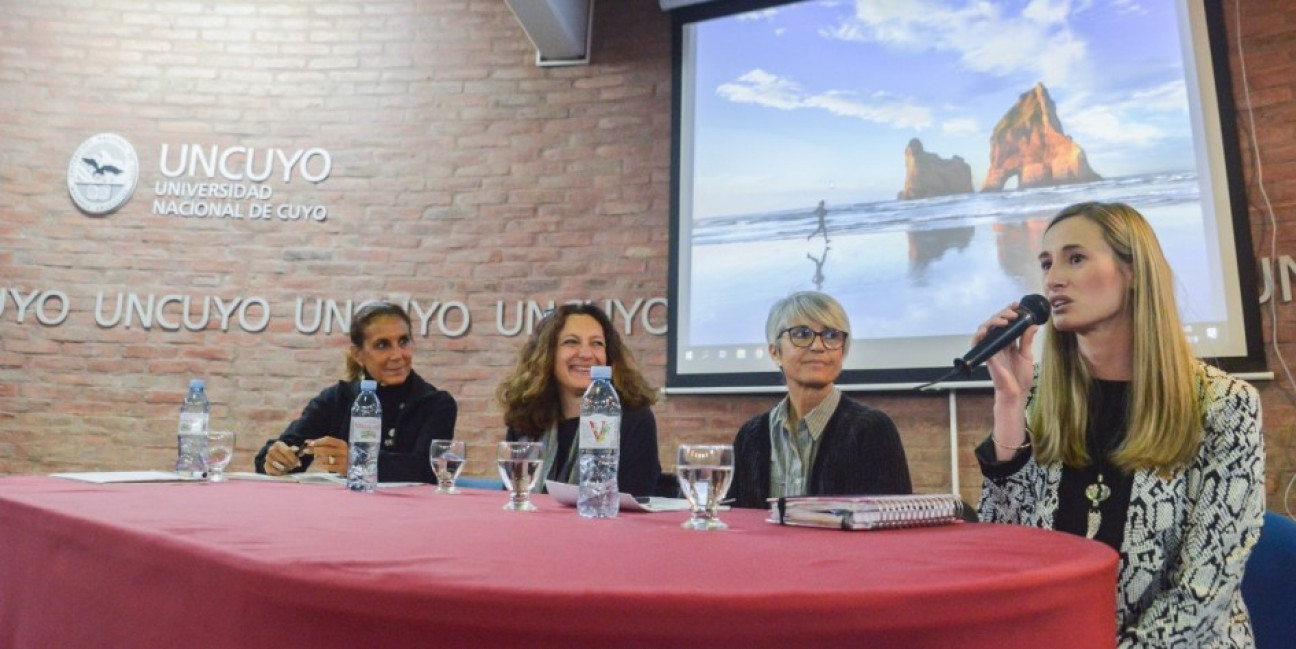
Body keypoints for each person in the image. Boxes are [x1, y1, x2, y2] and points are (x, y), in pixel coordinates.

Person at [974, 201, 1265, 647]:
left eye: (1075, 258)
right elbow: (1003, 551)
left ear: (1132, 272)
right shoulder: (1037, 395)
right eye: (1046, 263)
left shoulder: (1226, 404)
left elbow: (1203, 594)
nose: (1053, 279)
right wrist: (1009, 405)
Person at [730, 291, 912, 508]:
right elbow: (734, 520)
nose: (818, 346)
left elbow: (892, 524)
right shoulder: (750, 436)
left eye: (831, 336)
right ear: (774, 352)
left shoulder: (872, 429)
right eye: (801, 334)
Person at [254, 302, 457, 483]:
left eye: (403, 342)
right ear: (358, 355)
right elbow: (288, 447)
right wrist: (275, 460)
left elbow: (429, 470)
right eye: (382, 345)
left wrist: (358, 461)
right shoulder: (335, 400)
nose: (397, 355)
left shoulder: (436, 404)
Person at [496, 304, 661, 498]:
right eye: (571, 342)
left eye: (597, 343)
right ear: (547, 354)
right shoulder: (526, 417)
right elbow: (514, 496)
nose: (586, 354)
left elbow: (634, 503)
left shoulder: (633, 418)